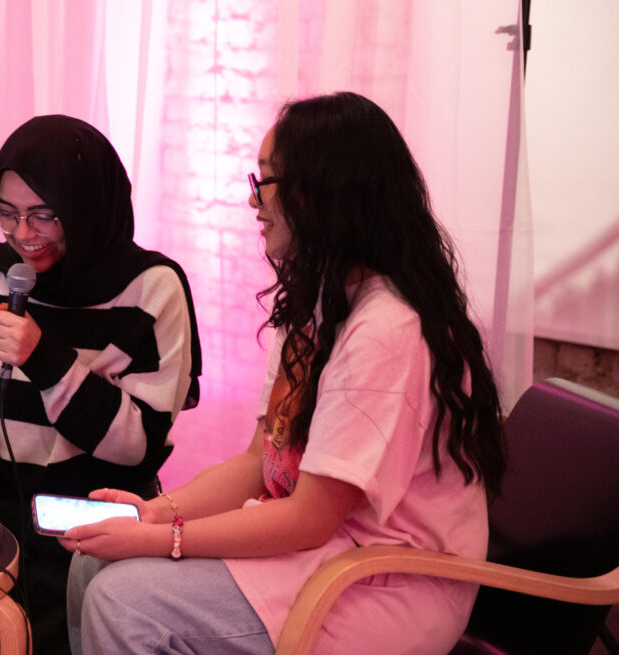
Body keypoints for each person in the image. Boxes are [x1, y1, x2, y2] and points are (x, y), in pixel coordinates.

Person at [63, 91, 508, 655]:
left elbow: (308, 519)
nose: (253, 202)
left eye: (264, 182)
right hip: (329, 551)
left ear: (321, 194)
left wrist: (159, 538)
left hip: (384, 579)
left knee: (122, 598)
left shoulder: (387, 330)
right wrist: (152, 512)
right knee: (92, 570)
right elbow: (259, 465)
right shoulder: (319, 308)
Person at [0, 114, 203, 654]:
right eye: (6, 214)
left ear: (85, 207)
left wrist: (45, 359)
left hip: (92, 516)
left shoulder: (151, 289)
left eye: (43, 215)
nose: (22, 235)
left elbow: (137, 445)